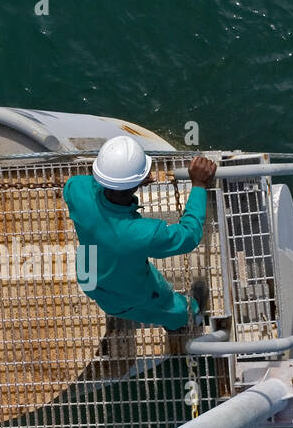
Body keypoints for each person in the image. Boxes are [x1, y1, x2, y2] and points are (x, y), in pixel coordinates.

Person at [63, 135, 217, 331]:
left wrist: (126, 184)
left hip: (88, 273)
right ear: (135, 184)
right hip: (127, 292)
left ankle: (119, 310)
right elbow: (189, 235)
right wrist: (199, 186)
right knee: (169, 307)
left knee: (109, 299)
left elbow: (86, 187)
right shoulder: (145, 233)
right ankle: (185, 318)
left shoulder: (76, 189)